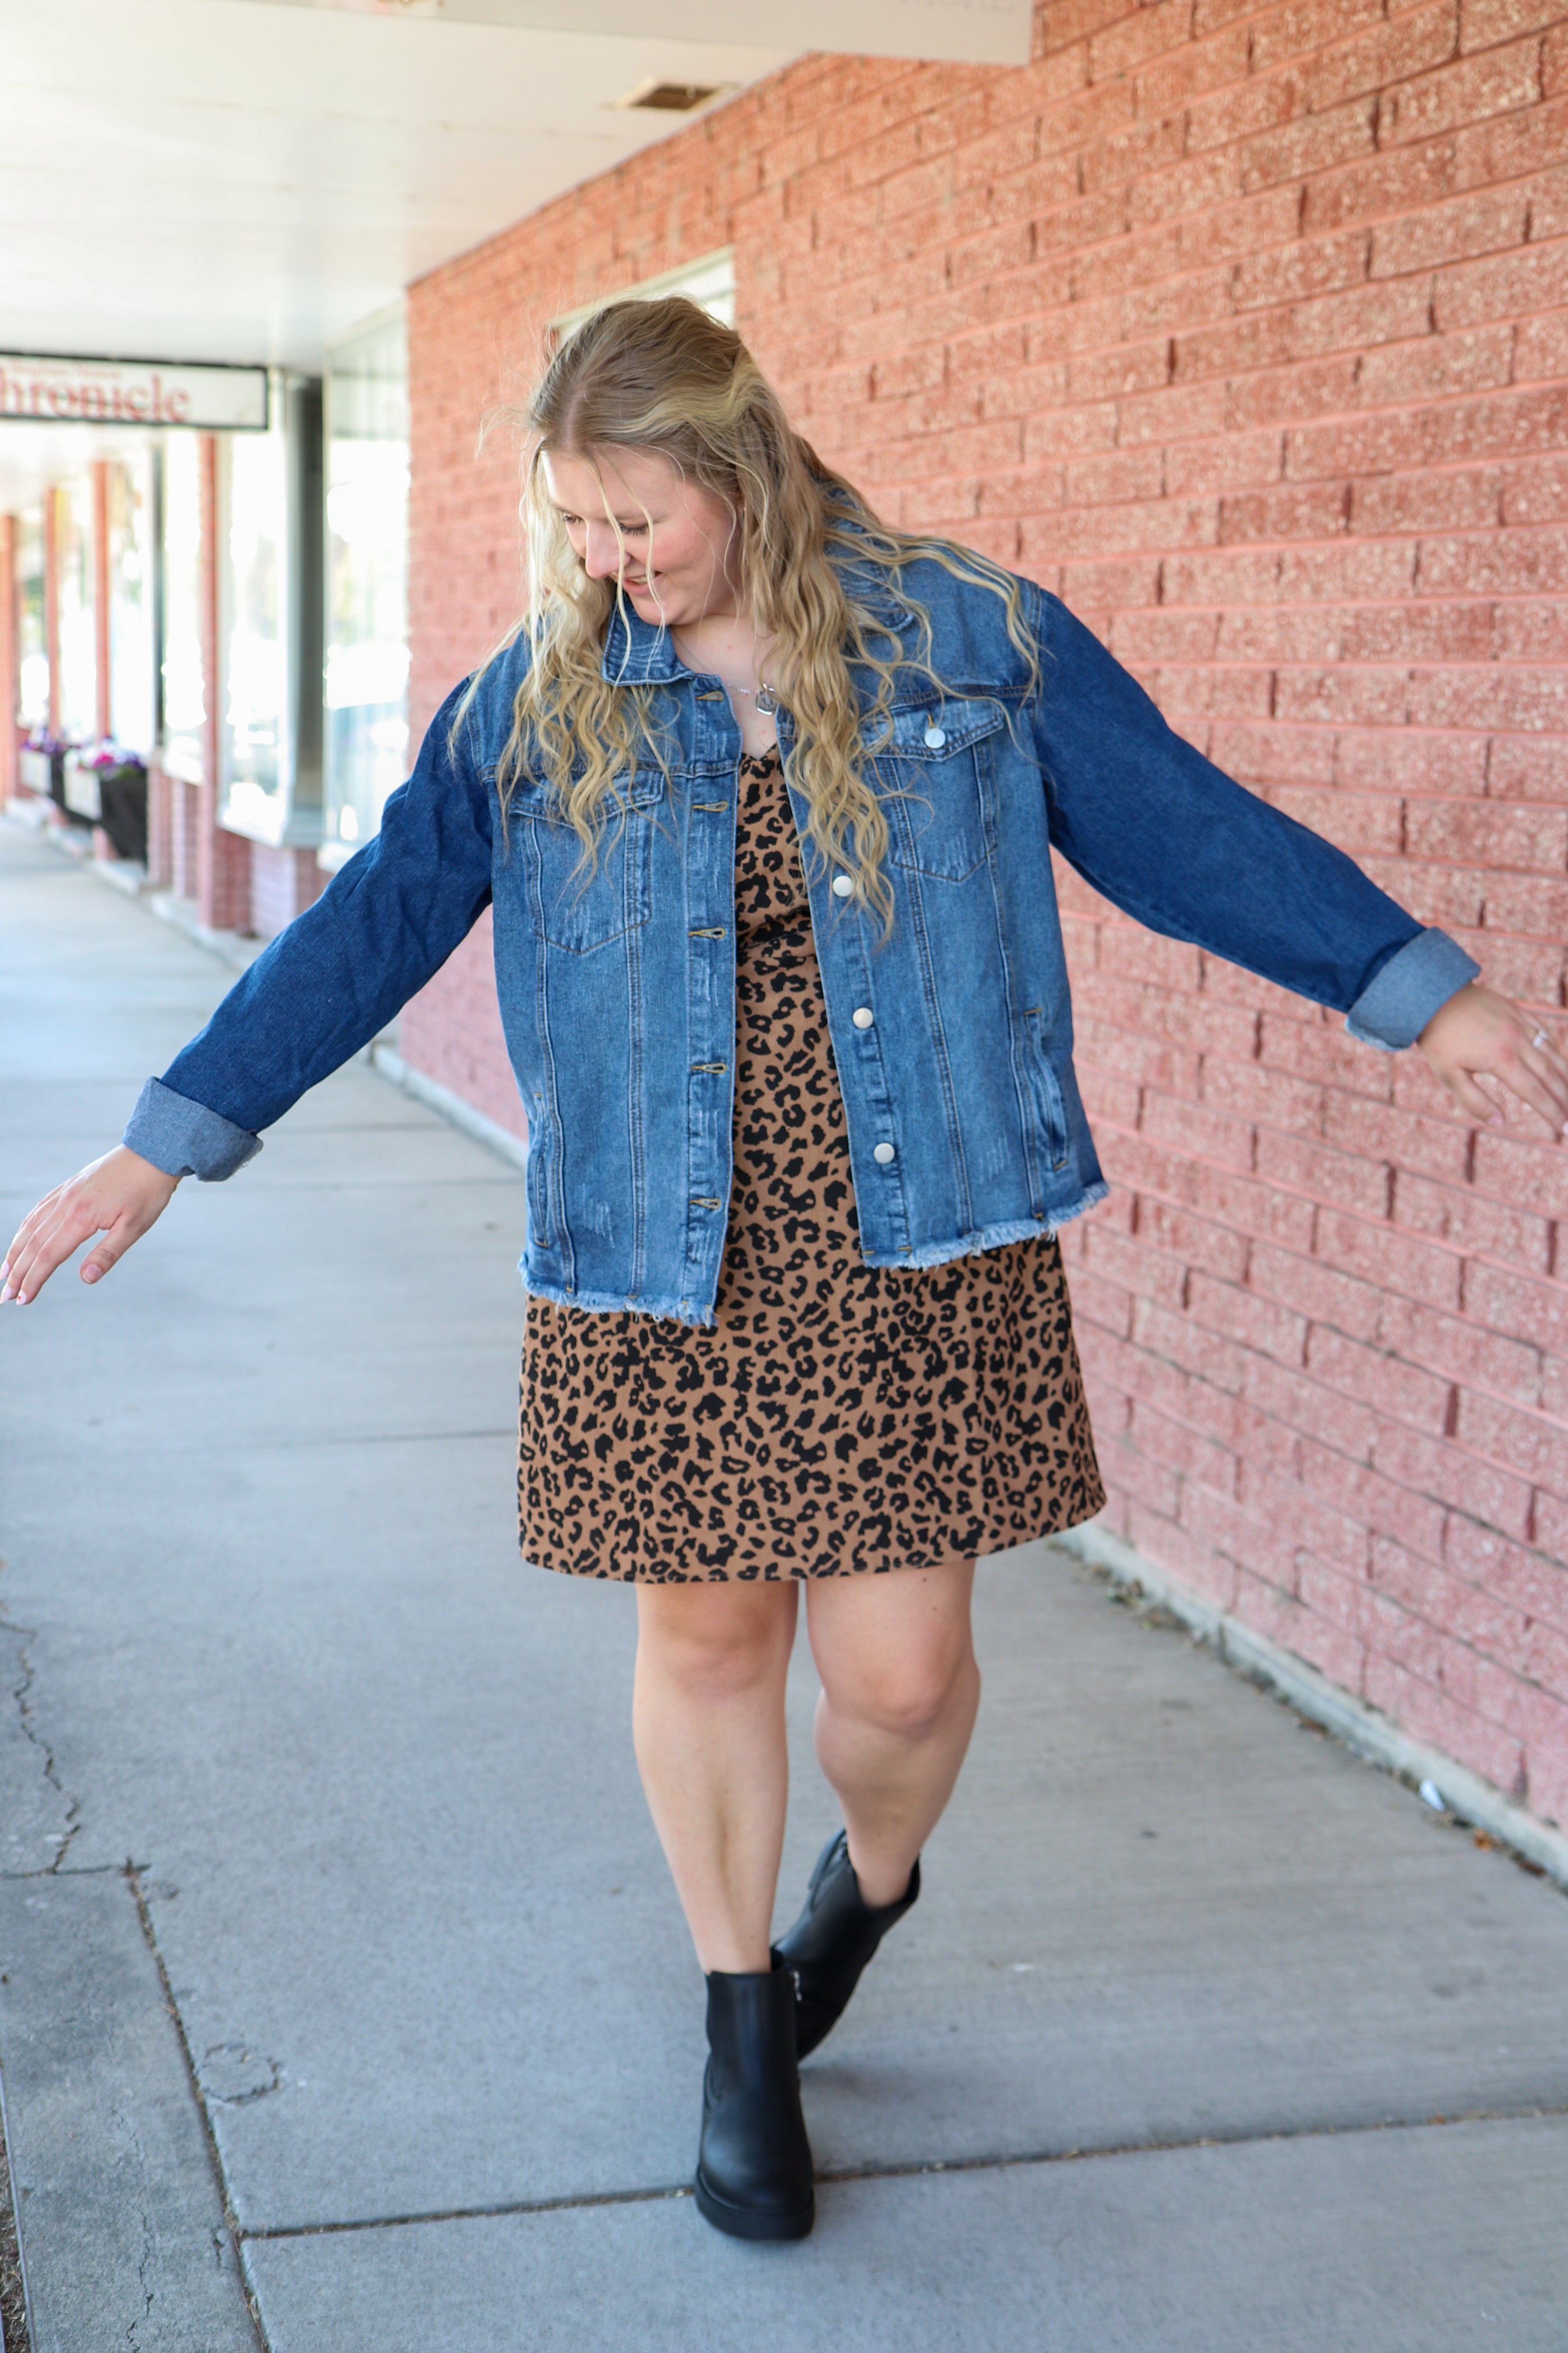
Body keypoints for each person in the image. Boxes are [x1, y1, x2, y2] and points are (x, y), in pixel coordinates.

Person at [6, 298, 1565, 2245]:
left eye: (639, 520)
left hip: (921, 1232)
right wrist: (170, 1135)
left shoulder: (972, 638)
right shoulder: (534, 703)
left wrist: (1408, 982)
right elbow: (374, 922)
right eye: (579, 525)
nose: (609, 562)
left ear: (740, 471)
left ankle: (875, 1884)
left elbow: (1179, 828)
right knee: (711, 1643)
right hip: (660, 1246)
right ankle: (740, 2016)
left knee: (899, 1687)